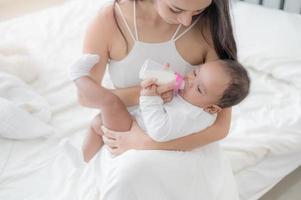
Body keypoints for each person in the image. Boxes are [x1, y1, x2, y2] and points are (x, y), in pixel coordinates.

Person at [74, 0, 241, 199]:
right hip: (124, 131)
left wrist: (145, 142)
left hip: (185, 140)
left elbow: (220, 127)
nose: (187, 21)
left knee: (136, 172)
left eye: (198, 10)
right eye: (176, 9)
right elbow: (86, 97)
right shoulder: (109, 21)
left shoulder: (211, 26)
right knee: (126, 175)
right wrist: (150, 91)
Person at [70, 58, 250, 156]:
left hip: (134, 133)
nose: (189, 80)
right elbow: (170, 111)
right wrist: (165, 94)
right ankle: (84, 160)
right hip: (135, 124)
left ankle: (79, 76)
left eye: (199, 88)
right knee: (97, 123)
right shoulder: (194, 102)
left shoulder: (192, 116)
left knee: (110, 101)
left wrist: (150, 97)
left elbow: (159, 131)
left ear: (212, 108)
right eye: (195, 72)